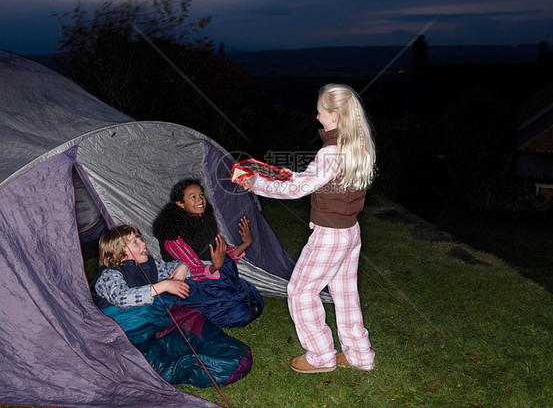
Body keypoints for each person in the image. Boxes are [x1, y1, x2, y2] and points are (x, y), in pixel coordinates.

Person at [242, 83, 377, 374]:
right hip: (350, 231)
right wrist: (281, 173)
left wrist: (257, 183)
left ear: (335, 116)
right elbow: (318, 179)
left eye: (320, 113)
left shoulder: (331, 152)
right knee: (345, 295)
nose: (317, 118)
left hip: (330, 235)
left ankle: (320, 355)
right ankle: (359, 355)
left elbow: (299, 188)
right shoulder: (359, 144)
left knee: (300, 291)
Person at [90, 224, 253, 387]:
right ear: (117, 255)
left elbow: (172, 268)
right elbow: (122, 298)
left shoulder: (148, 266)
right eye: (134, 242)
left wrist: (182, 266)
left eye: (140, 239)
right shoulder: (109, 275)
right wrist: (165, 286)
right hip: (124, 335)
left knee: (198, 330)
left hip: (154, 328)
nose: (143, 244)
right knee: (150, 362)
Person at [152, 179, 263, 328]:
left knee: (253, 299)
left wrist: (245, 244)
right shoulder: (172, 235)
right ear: (180, 204)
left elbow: (222, 253)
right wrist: (214, 267)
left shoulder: (204, 220)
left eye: (202, 195)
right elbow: (193, 269)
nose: (201, 200)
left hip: (217, 273)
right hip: (192, 284)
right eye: (193, 197)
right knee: (240, 311)